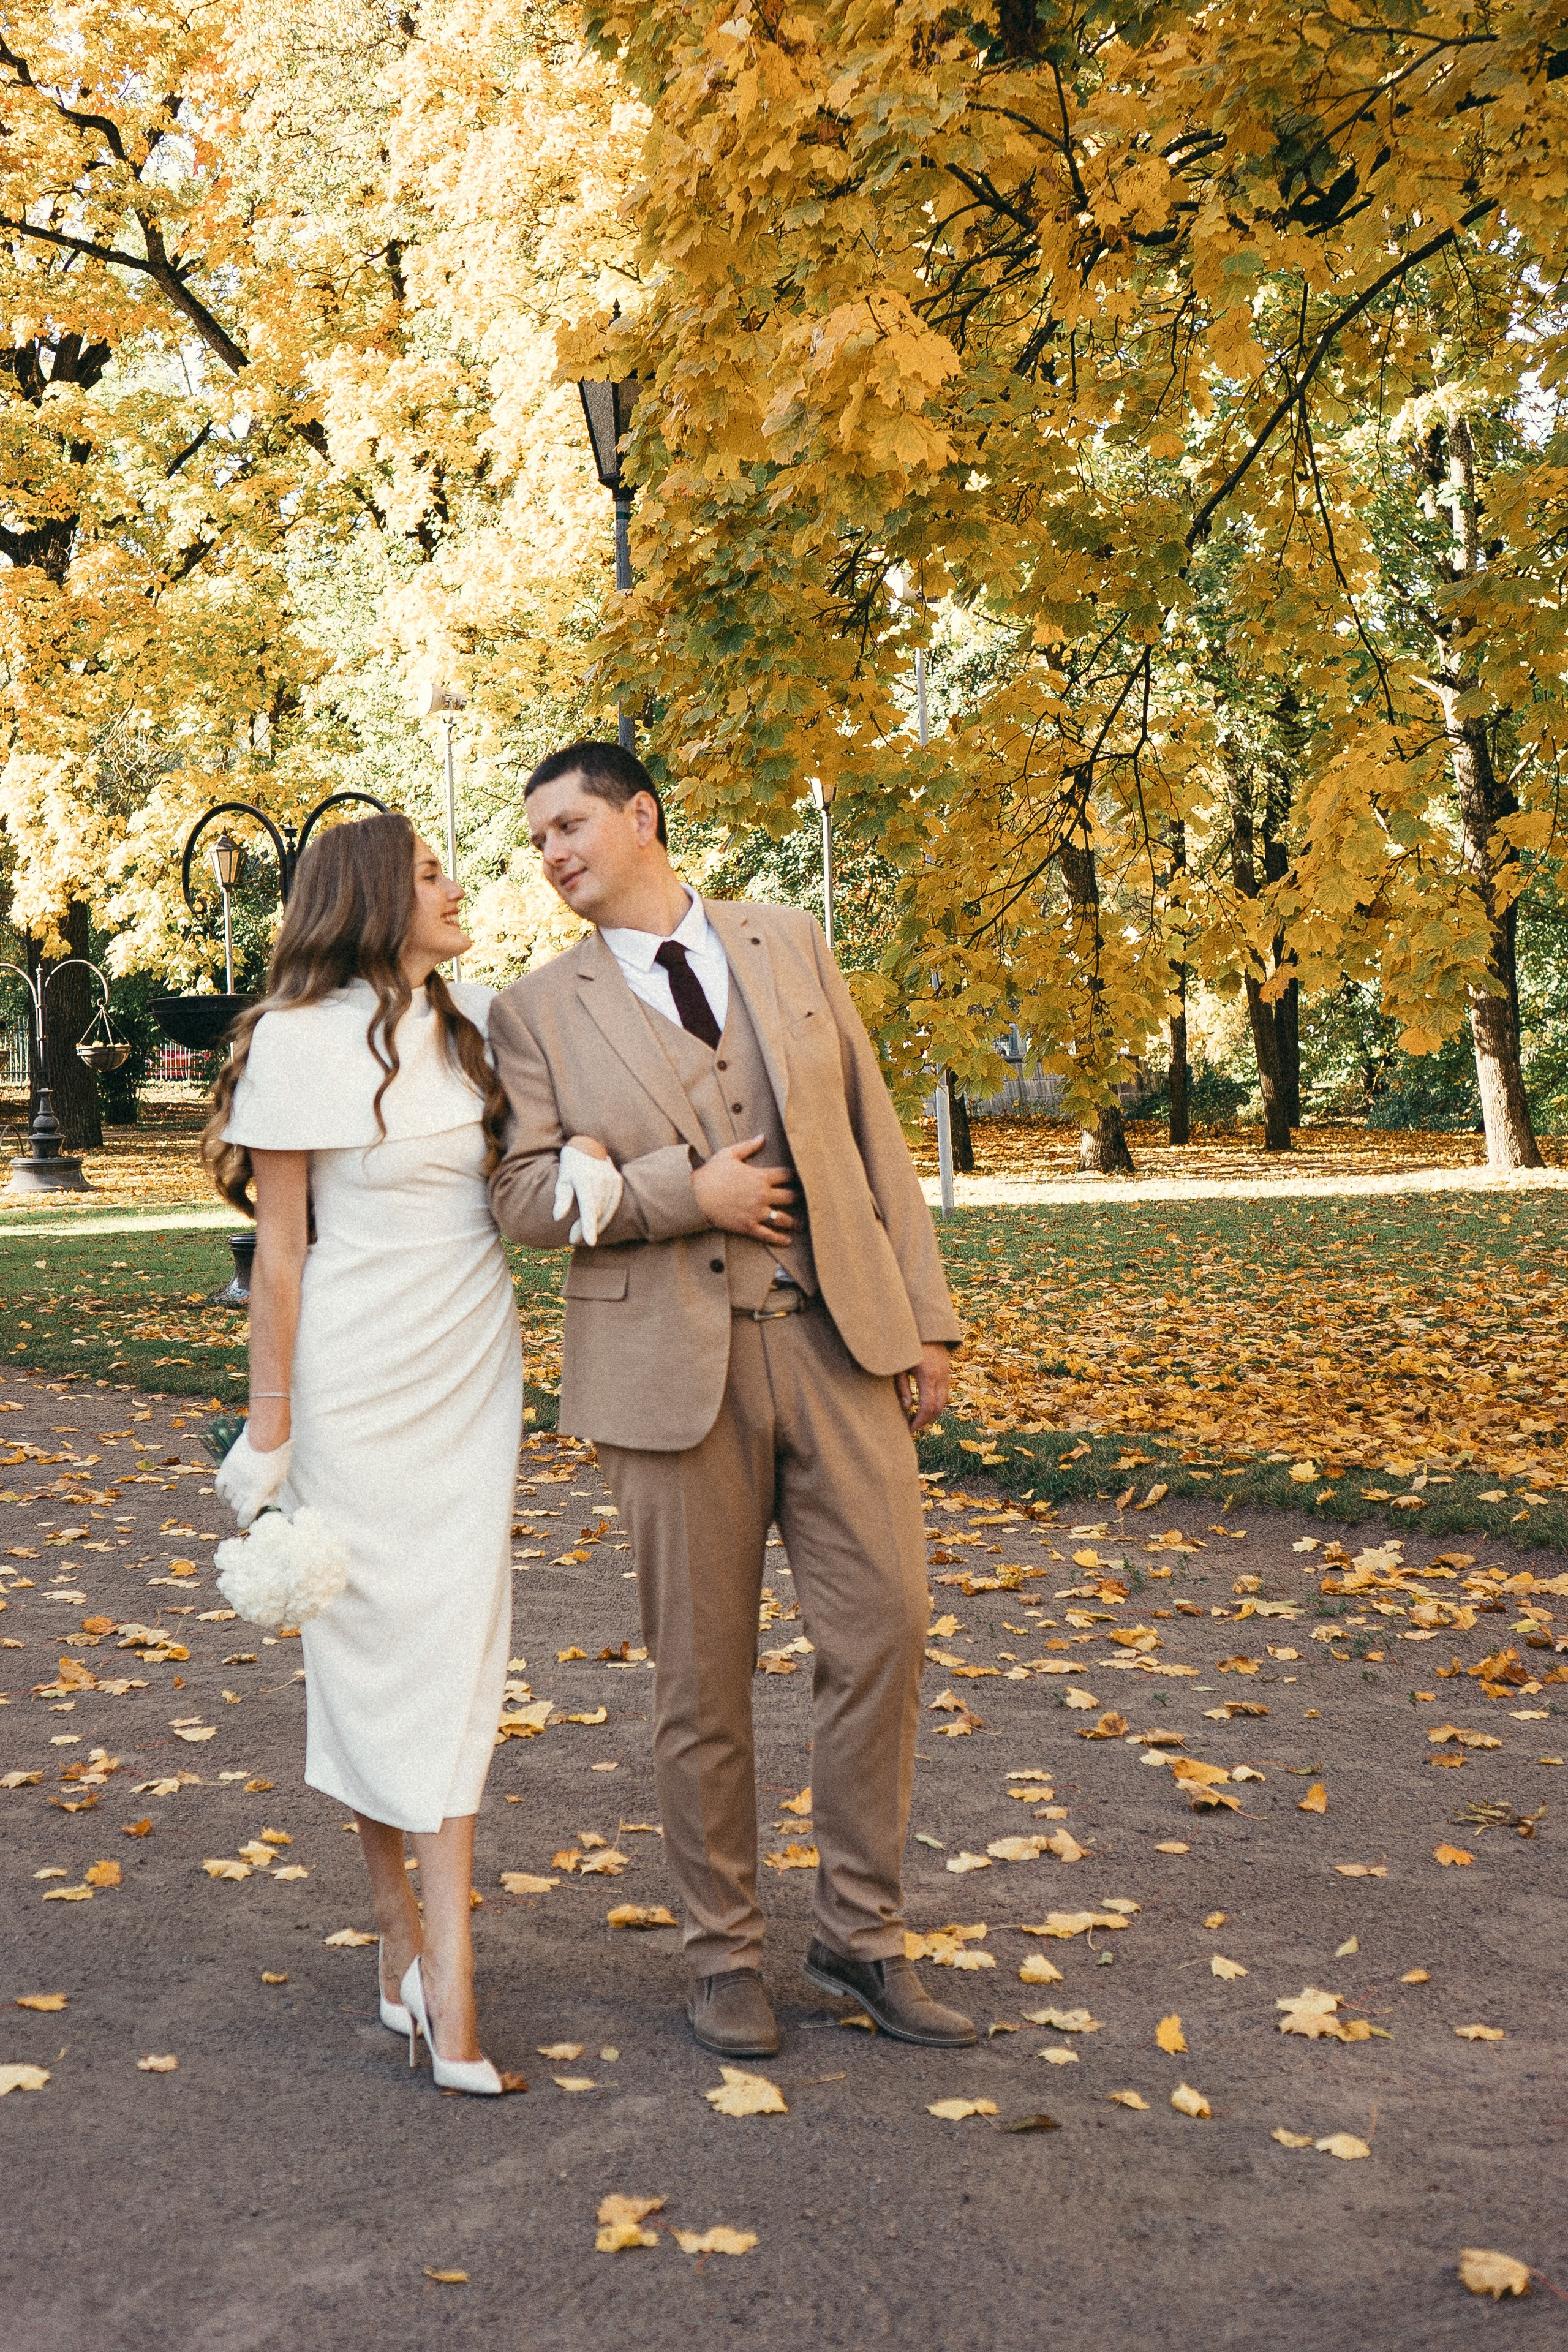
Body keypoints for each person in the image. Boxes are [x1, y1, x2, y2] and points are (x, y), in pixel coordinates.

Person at [487, 740, 974, 2057]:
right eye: (536, 841)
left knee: (886, 1629)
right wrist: (668, 1196)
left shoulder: (786, 941)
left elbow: (873, 1131)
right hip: (664, 1377)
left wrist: (925, 1320)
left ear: (641, 817)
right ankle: (722, 1957)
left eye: (569, 824)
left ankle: (860, 1936)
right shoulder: (535, 1012)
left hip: (836, 1339)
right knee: (700, 1683)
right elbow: (523, 1198)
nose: (551, 855)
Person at [203, 812, 523, 2096]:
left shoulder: (483, 1018)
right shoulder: (292, 1041)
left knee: (454, 1648)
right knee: (366, 1648)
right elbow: (280, 1254)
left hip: (467, 1371)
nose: (455, 890)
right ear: (372, 899)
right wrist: (268, 1433)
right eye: (432, 874)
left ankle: (446, 1968)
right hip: (350, 1378)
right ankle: (407, 1929)